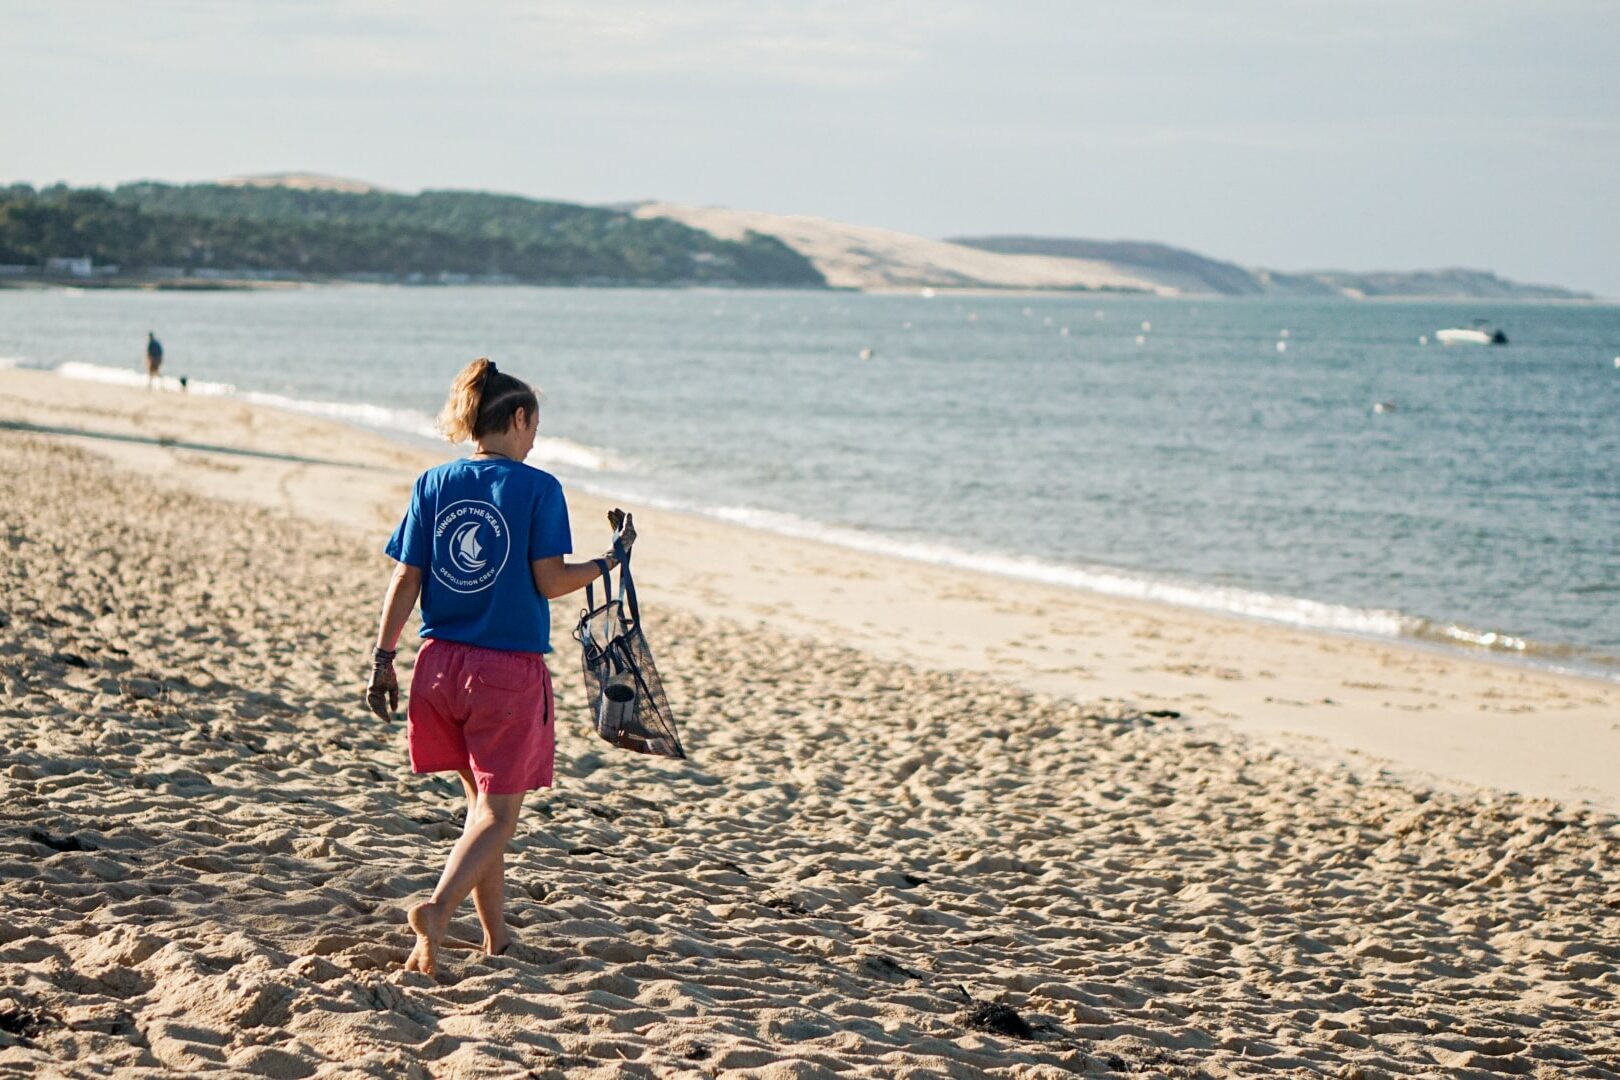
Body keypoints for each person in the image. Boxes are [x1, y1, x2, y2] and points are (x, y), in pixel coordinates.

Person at [366, 356, 634, 976]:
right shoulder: (539, 488)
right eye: (534, 427)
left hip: (437, 668)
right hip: (505, 675)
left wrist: (385, 658)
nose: (535, 439)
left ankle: (497, 938)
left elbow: (406, 577)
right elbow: (551, 579)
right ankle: (435, 912)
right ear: (517, 418)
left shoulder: (432, 483)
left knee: (480, 809)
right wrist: (610, 561)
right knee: (497, 815)